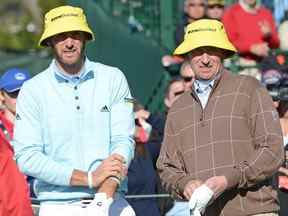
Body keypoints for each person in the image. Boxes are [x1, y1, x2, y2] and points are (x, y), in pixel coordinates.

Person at [12, 5, 135, 216]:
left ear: (85, 38)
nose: (69, 43)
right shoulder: (32, 90)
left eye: (75, 35)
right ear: (49, 41)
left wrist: (107, 189)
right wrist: (88, 178)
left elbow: (123, 141)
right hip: (57, 205)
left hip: (112, 198)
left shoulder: (114, 78)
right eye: (61, 36)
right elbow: (27, 157)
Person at [157, 19, 284, 216]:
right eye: (198, 51)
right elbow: (166, 167)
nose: (205, 59)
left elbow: (273, 150)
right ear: (188, 55)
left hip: (255, 211)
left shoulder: (250, 88)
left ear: (223, 53)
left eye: (212, 50)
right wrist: (185, 184)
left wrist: (229, 179)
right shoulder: (178, 109)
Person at [0, 68, 33, 216]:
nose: (20, 99)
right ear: (1, 95)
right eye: (14, 94)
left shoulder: (43, 128)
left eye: (25, 93)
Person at [222, 0, 279, 80]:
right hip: (241, 65)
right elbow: (228, 42)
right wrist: (251, 48)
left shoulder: (266, 13)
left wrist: (269, 35)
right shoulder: (231, 13)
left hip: (267, 65)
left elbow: (276, 44)